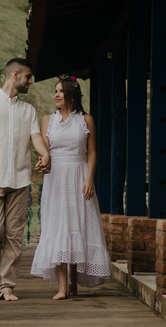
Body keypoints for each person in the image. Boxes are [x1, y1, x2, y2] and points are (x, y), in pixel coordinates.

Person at [0, 58, 51, 302]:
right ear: (15, 74)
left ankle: (7, 286)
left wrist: (45, 154)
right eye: (28, 77)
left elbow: (36, 137)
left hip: (20, 180)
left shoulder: (28, 110)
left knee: (14, 237)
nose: (30, 82)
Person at [29, 75, 109, 300]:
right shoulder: (48, 120)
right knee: (58, 227)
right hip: (56, 178)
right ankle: (62, 287)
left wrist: (90, 178)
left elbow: (92, 152)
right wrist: (42, 162)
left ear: (71, 96)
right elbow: (44, 151)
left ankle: (74, 277)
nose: (56, 95)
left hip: (79, 174)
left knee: (78, 225)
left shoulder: (86, 119)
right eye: (55, 91)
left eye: (60, 91)